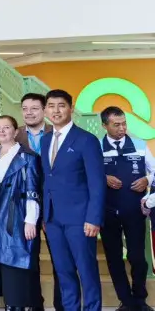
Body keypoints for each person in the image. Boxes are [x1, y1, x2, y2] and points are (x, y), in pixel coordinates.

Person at [40, 89, 105, 311]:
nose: (56, 110)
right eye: (51, 106)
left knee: (86, 271)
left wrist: (93, 218)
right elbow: (47, 179)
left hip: (80, 219)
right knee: (63, 272)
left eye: (61, 105)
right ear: (45, 110)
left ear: (71, 108)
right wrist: (44, 215)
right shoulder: (46, 140)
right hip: (52, 219)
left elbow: (97, 183)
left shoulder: (87, 140)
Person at [98, 106, 155, 311]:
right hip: (107, 212)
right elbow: (85, 174)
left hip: (135, 211)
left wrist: (147, 179)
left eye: (124, 123)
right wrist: (103, 177)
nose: (122, 128)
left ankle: (140, 299)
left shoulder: (139, 145)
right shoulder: (96, 147)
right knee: (114, 258)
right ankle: (126, 301)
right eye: (116, 125)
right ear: (104, 125)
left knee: (137, 257)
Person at [0, 115, 43, 311]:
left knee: (15, 259)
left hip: (15, 214)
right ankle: (9, 304)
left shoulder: (27, 157)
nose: (2, 131)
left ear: (15, 131)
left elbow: (32, 189)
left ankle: (18, 305)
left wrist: (30, 220)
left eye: (7, 127)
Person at [15, 92, 59, 311]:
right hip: (25, 207)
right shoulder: (14, 134)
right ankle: (34, 305)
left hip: (56, 204)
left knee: (60, 260)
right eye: (25, 109)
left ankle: (62, 305)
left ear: (44, 110)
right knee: (29, 261)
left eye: (34, 108)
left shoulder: (57, 132)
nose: (29, 113)